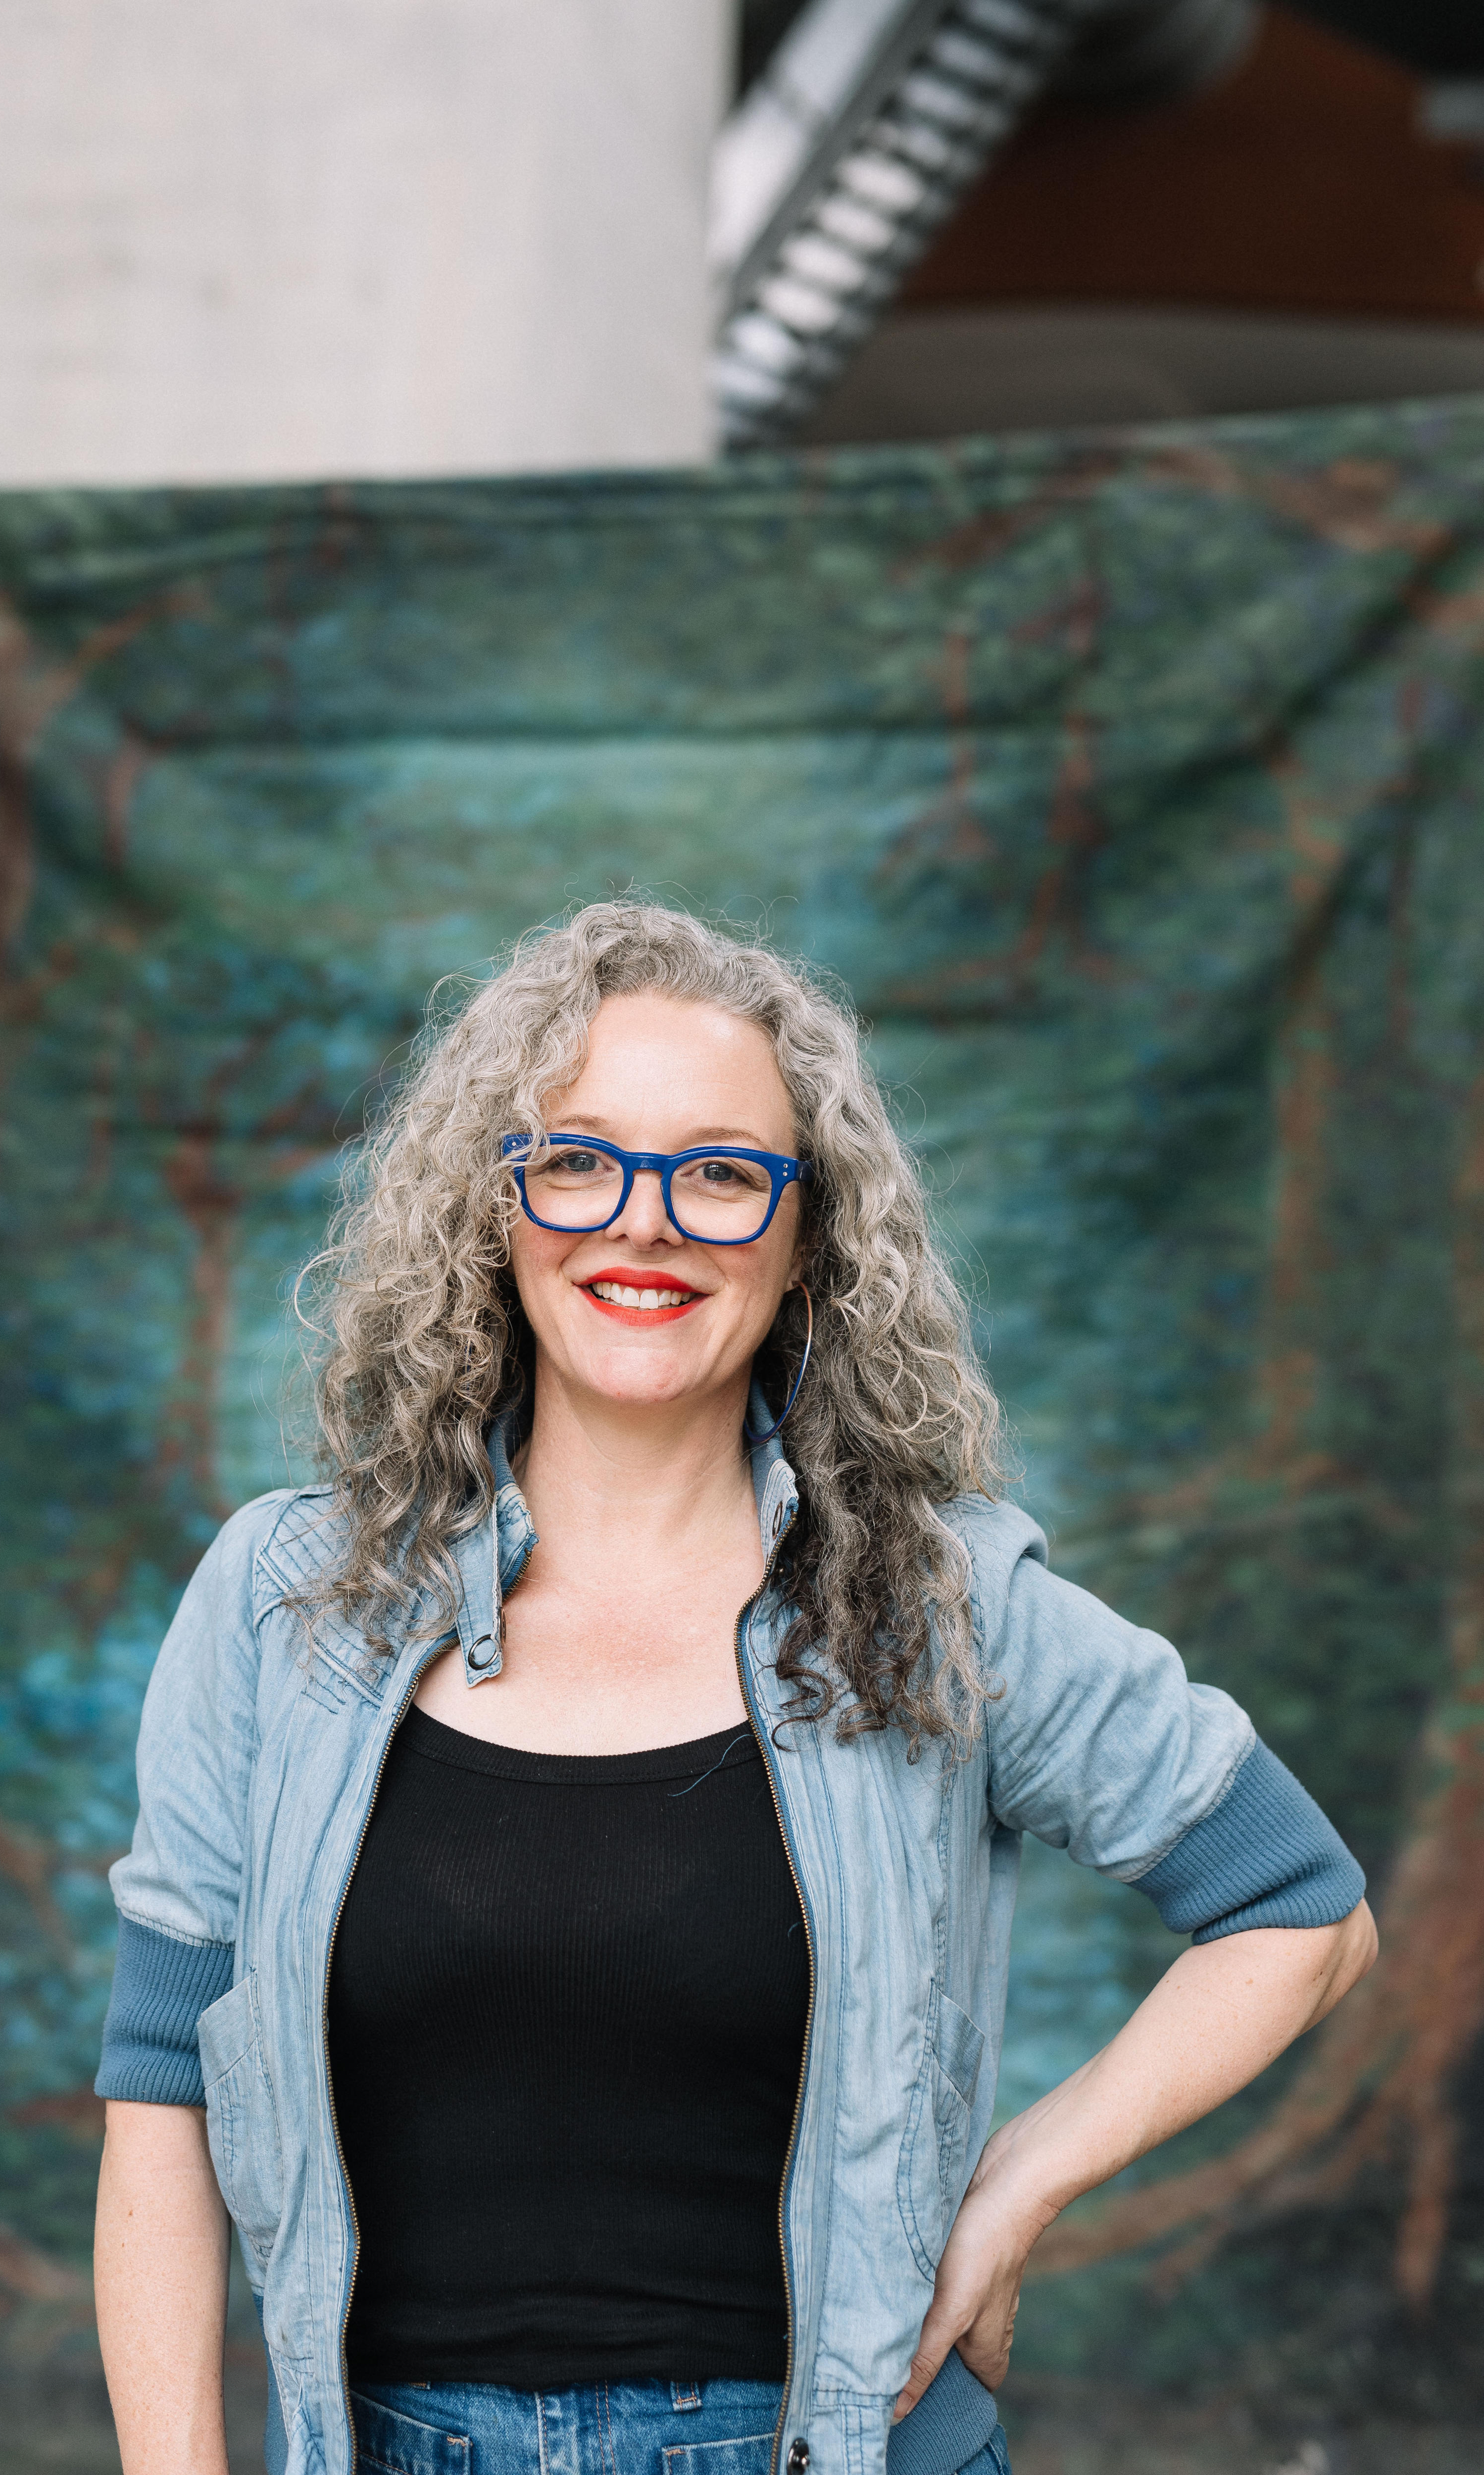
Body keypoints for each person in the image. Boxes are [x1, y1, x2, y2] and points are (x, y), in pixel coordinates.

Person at [94, 903, 1376, 2475]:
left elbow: (1300, 1906)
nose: (643, 1224)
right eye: (578, 1161)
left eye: (720, 1172)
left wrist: (1015, 2188)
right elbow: (160, 2090)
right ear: (492, 1212)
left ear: (807, 1241)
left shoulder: (932, 1601)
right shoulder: (288, 1602)